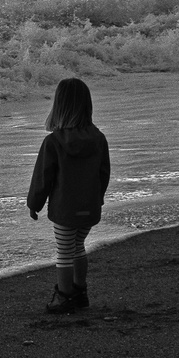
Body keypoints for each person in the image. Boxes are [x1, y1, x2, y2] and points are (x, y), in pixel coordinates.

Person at [27, 77, 111, 313]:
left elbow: (43, 177)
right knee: (78, 246)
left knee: (64, 251)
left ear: (59, 106)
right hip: (90, 206)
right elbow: (104, 172)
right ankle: (79, 291)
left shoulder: (54, 142)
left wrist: (34, 203)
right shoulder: (99, 139)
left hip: (65, 208)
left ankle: (64, 296)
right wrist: (98, 198)